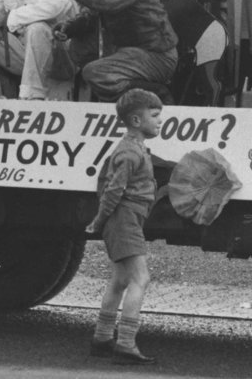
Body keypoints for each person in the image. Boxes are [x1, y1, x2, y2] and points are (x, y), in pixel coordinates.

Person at [87, 88, 162, 365]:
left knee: (119, 280)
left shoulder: (135, 147)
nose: (159, 121)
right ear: (136, 121)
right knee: (140, 279)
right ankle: (126, 343)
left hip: (125, 218)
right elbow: (113, 190)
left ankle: (102, 338)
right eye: (154, 116)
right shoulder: (130, 152)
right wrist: (99, 220)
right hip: (125, 218)